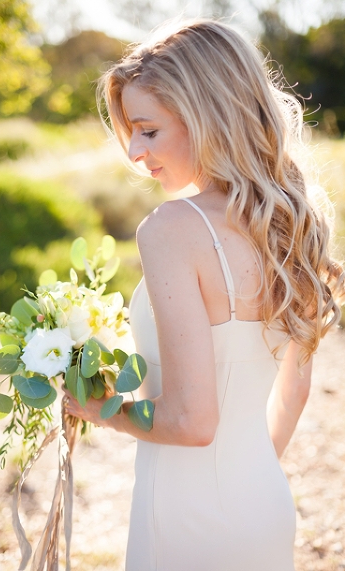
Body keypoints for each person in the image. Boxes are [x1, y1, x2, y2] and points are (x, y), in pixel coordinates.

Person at [63, 20, 344, 571]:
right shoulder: (294, 224)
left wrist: (100, 408)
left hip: (184, 514)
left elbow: (192, 421)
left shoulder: (171, 229)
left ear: (206, 116)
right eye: (130, 133)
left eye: (148, 130)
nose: (136, 153)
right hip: (262, 500)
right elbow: (292, 394)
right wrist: (244, 481)